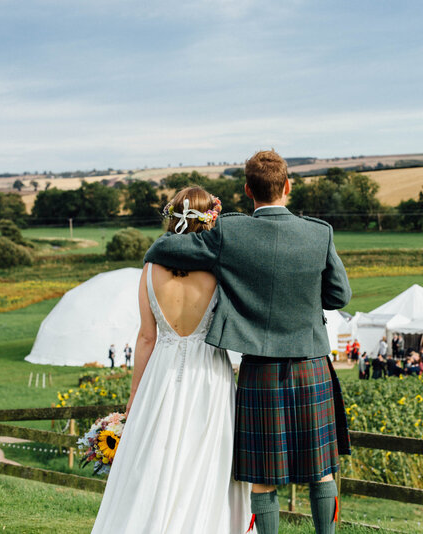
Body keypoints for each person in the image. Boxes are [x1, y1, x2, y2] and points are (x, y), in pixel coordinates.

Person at [142, 150, 351, 534]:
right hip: (311, 366)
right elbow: (340, 296)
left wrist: (154, 248)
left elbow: (168, 248)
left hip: (259, 370)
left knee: (262, 476)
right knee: (322, 472)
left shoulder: (230, 232)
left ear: (247, 190)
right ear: (288, 186)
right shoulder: (320, 232)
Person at [92, 187, 251, 533]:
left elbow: (147, 337)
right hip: (208, 372)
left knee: (154, 455)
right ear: (210, 219)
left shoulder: (150, 267)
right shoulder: (218, 269)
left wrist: (135, 395)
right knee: (206, 457)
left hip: (160, 374)